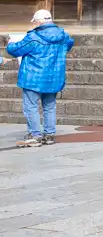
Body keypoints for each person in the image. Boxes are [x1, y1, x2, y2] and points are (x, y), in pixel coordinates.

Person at [5, 9, 74, 148]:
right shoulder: (64, 35)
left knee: (31, 106)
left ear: (38, 22)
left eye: (35, 22)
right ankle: (49, 135)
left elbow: (14, 50)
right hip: (54, 77)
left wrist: (10, 42)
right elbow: (69, 45)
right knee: (49, 106)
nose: (34, 24)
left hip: (33, 77)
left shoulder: (33, 37)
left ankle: (35, 135)